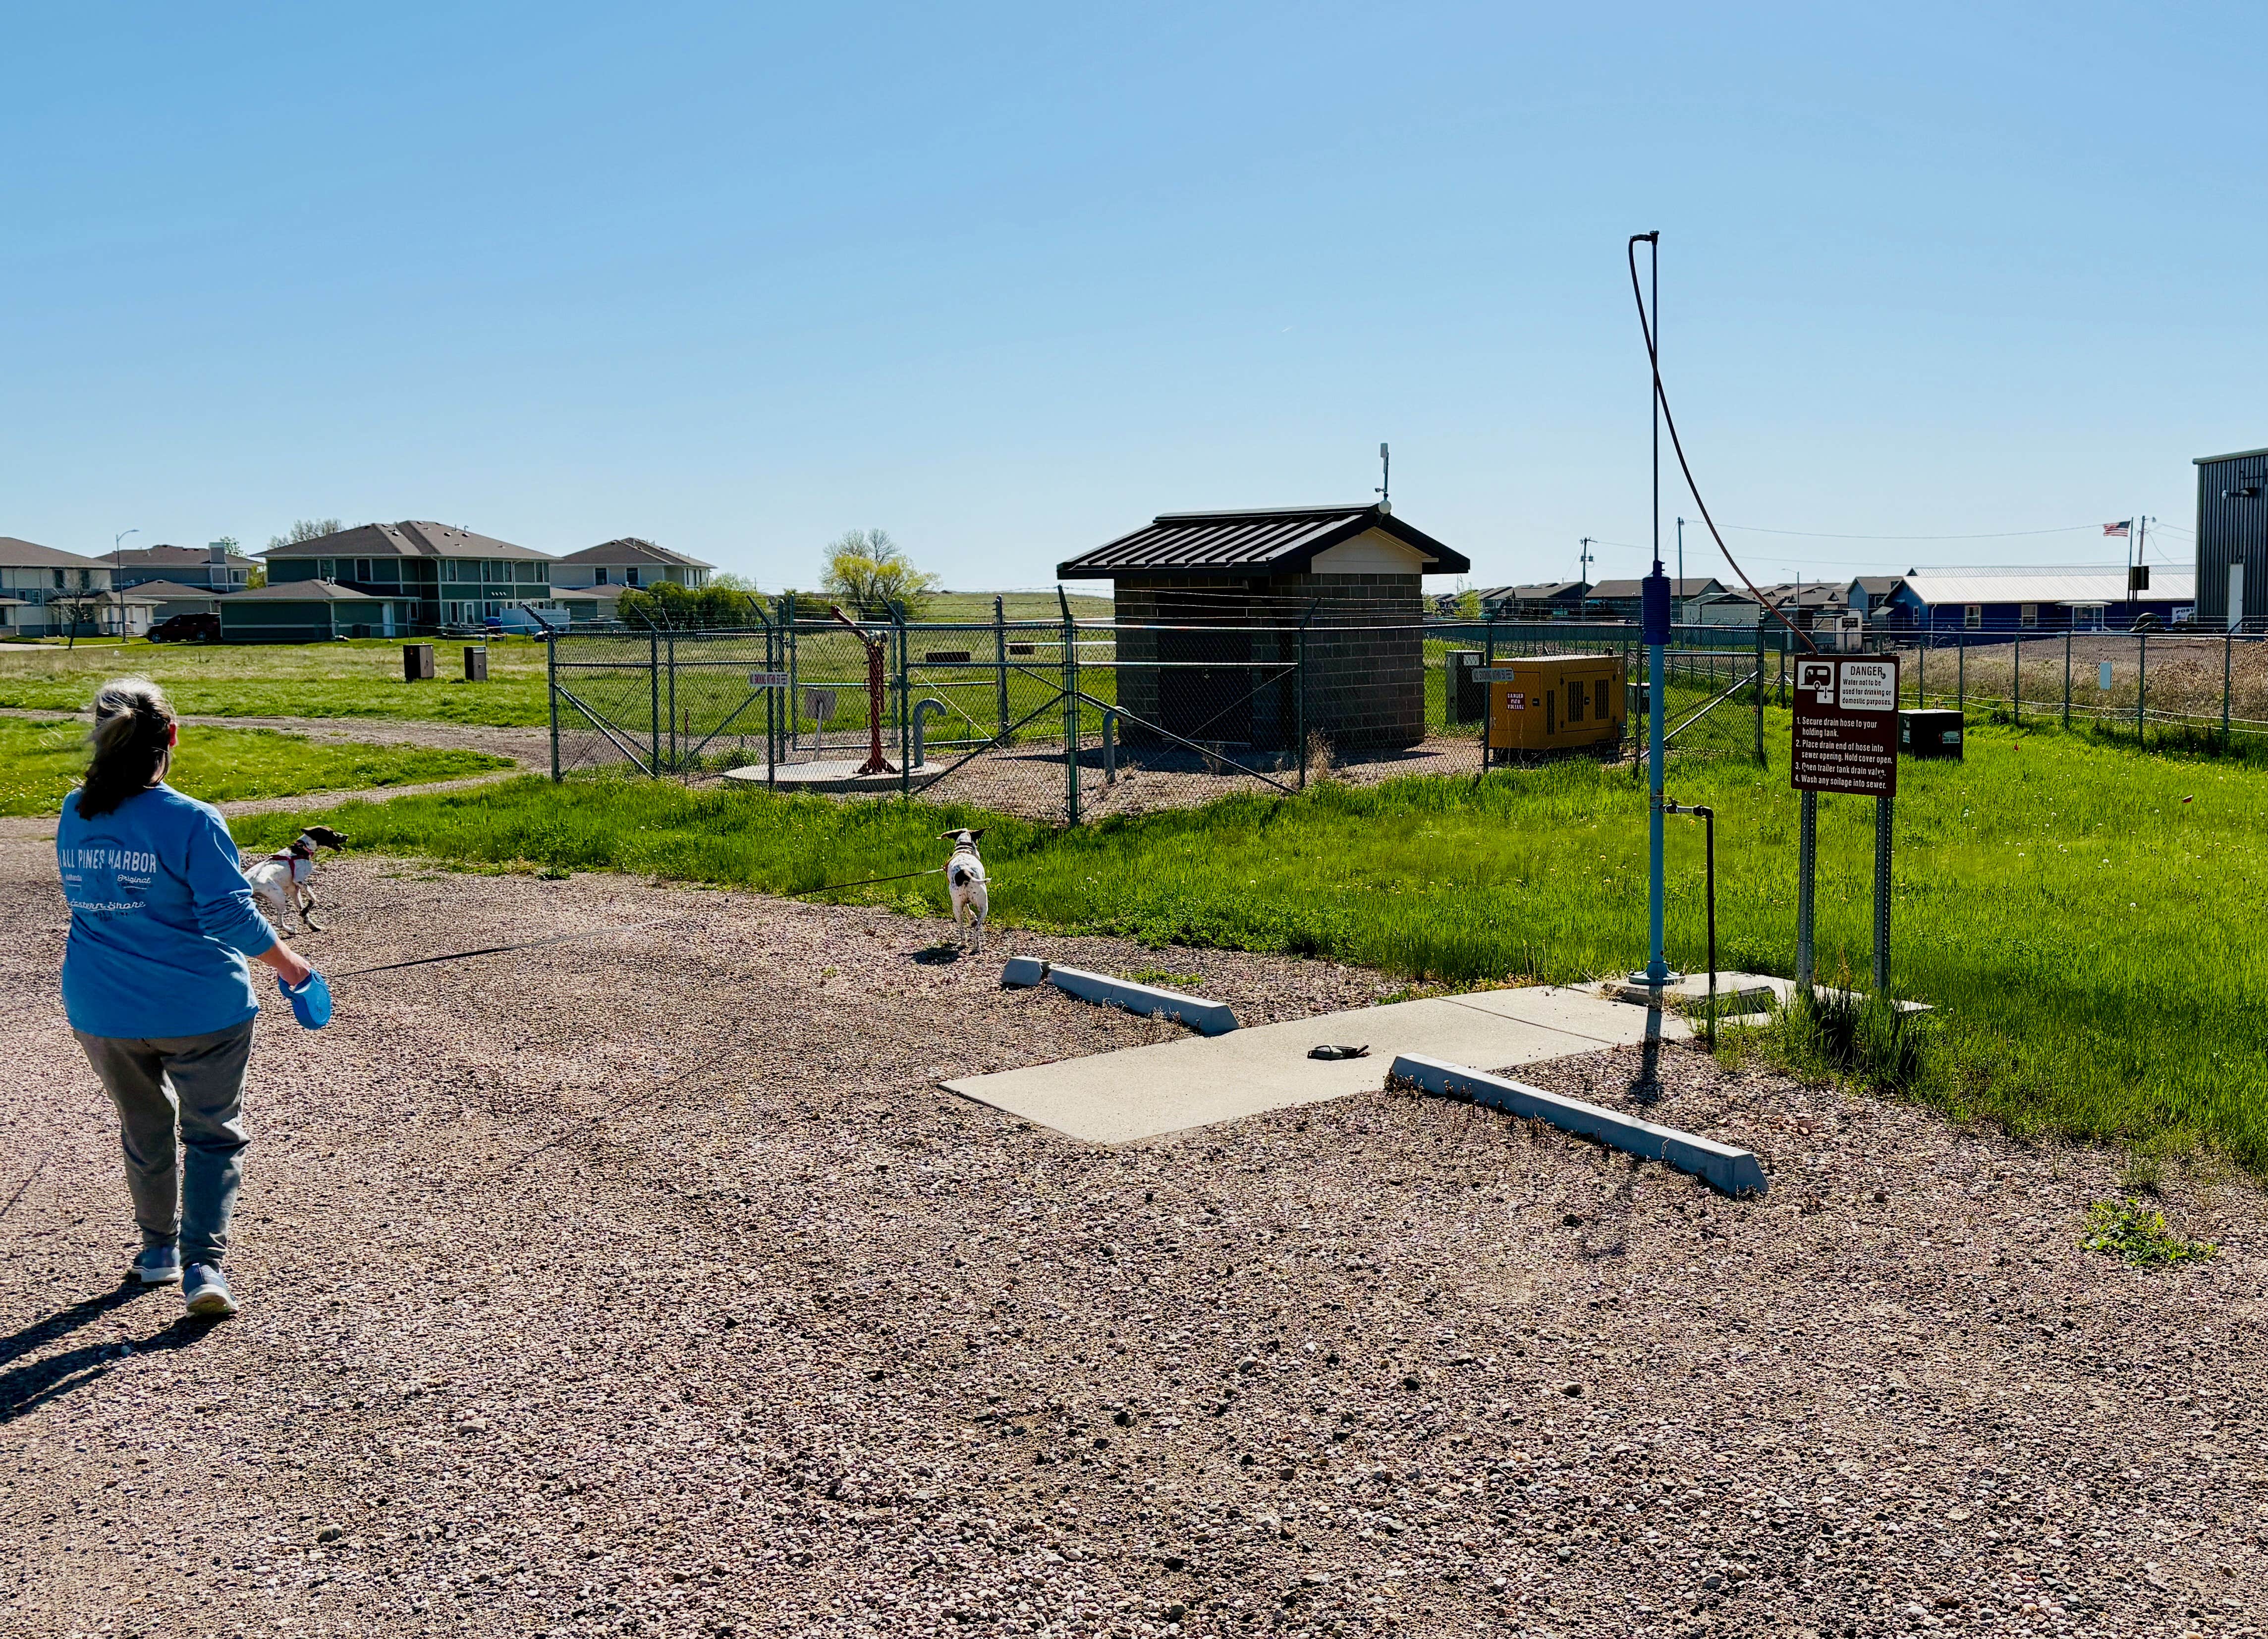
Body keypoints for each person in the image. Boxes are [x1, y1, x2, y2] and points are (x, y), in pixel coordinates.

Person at [55, 678, 315, 1318]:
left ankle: (156, 1252)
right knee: (213, 1134)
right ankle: (204, 1266)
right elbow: (228, 916)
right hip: (201, 1008)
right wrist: (291, 967)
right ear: (171, 735)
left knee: (143, 1128)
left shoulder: (75, 809)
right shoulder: (193, 819)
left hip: (101, 1007)